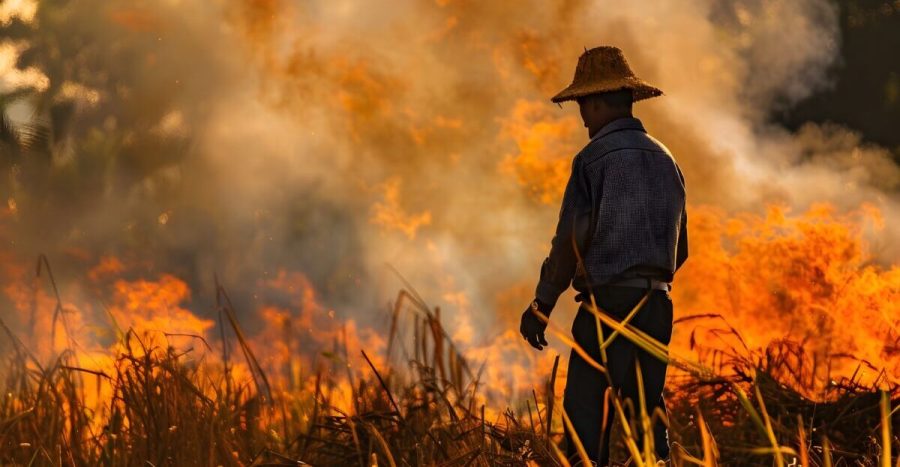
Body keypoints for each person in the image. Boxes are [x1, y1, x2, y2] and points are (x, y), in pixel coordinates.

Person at [519, 46, 688, 466]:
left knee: (584, 418)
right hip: (657, 306)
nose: (582, 118)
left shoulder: (592, 160)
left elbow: (569, 243)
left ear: (596, 102)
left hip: (606, 306)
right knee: (646, 418)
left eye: (582, 106)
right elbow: (680, 249)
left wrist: (542, 303)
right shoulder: (668, 161)